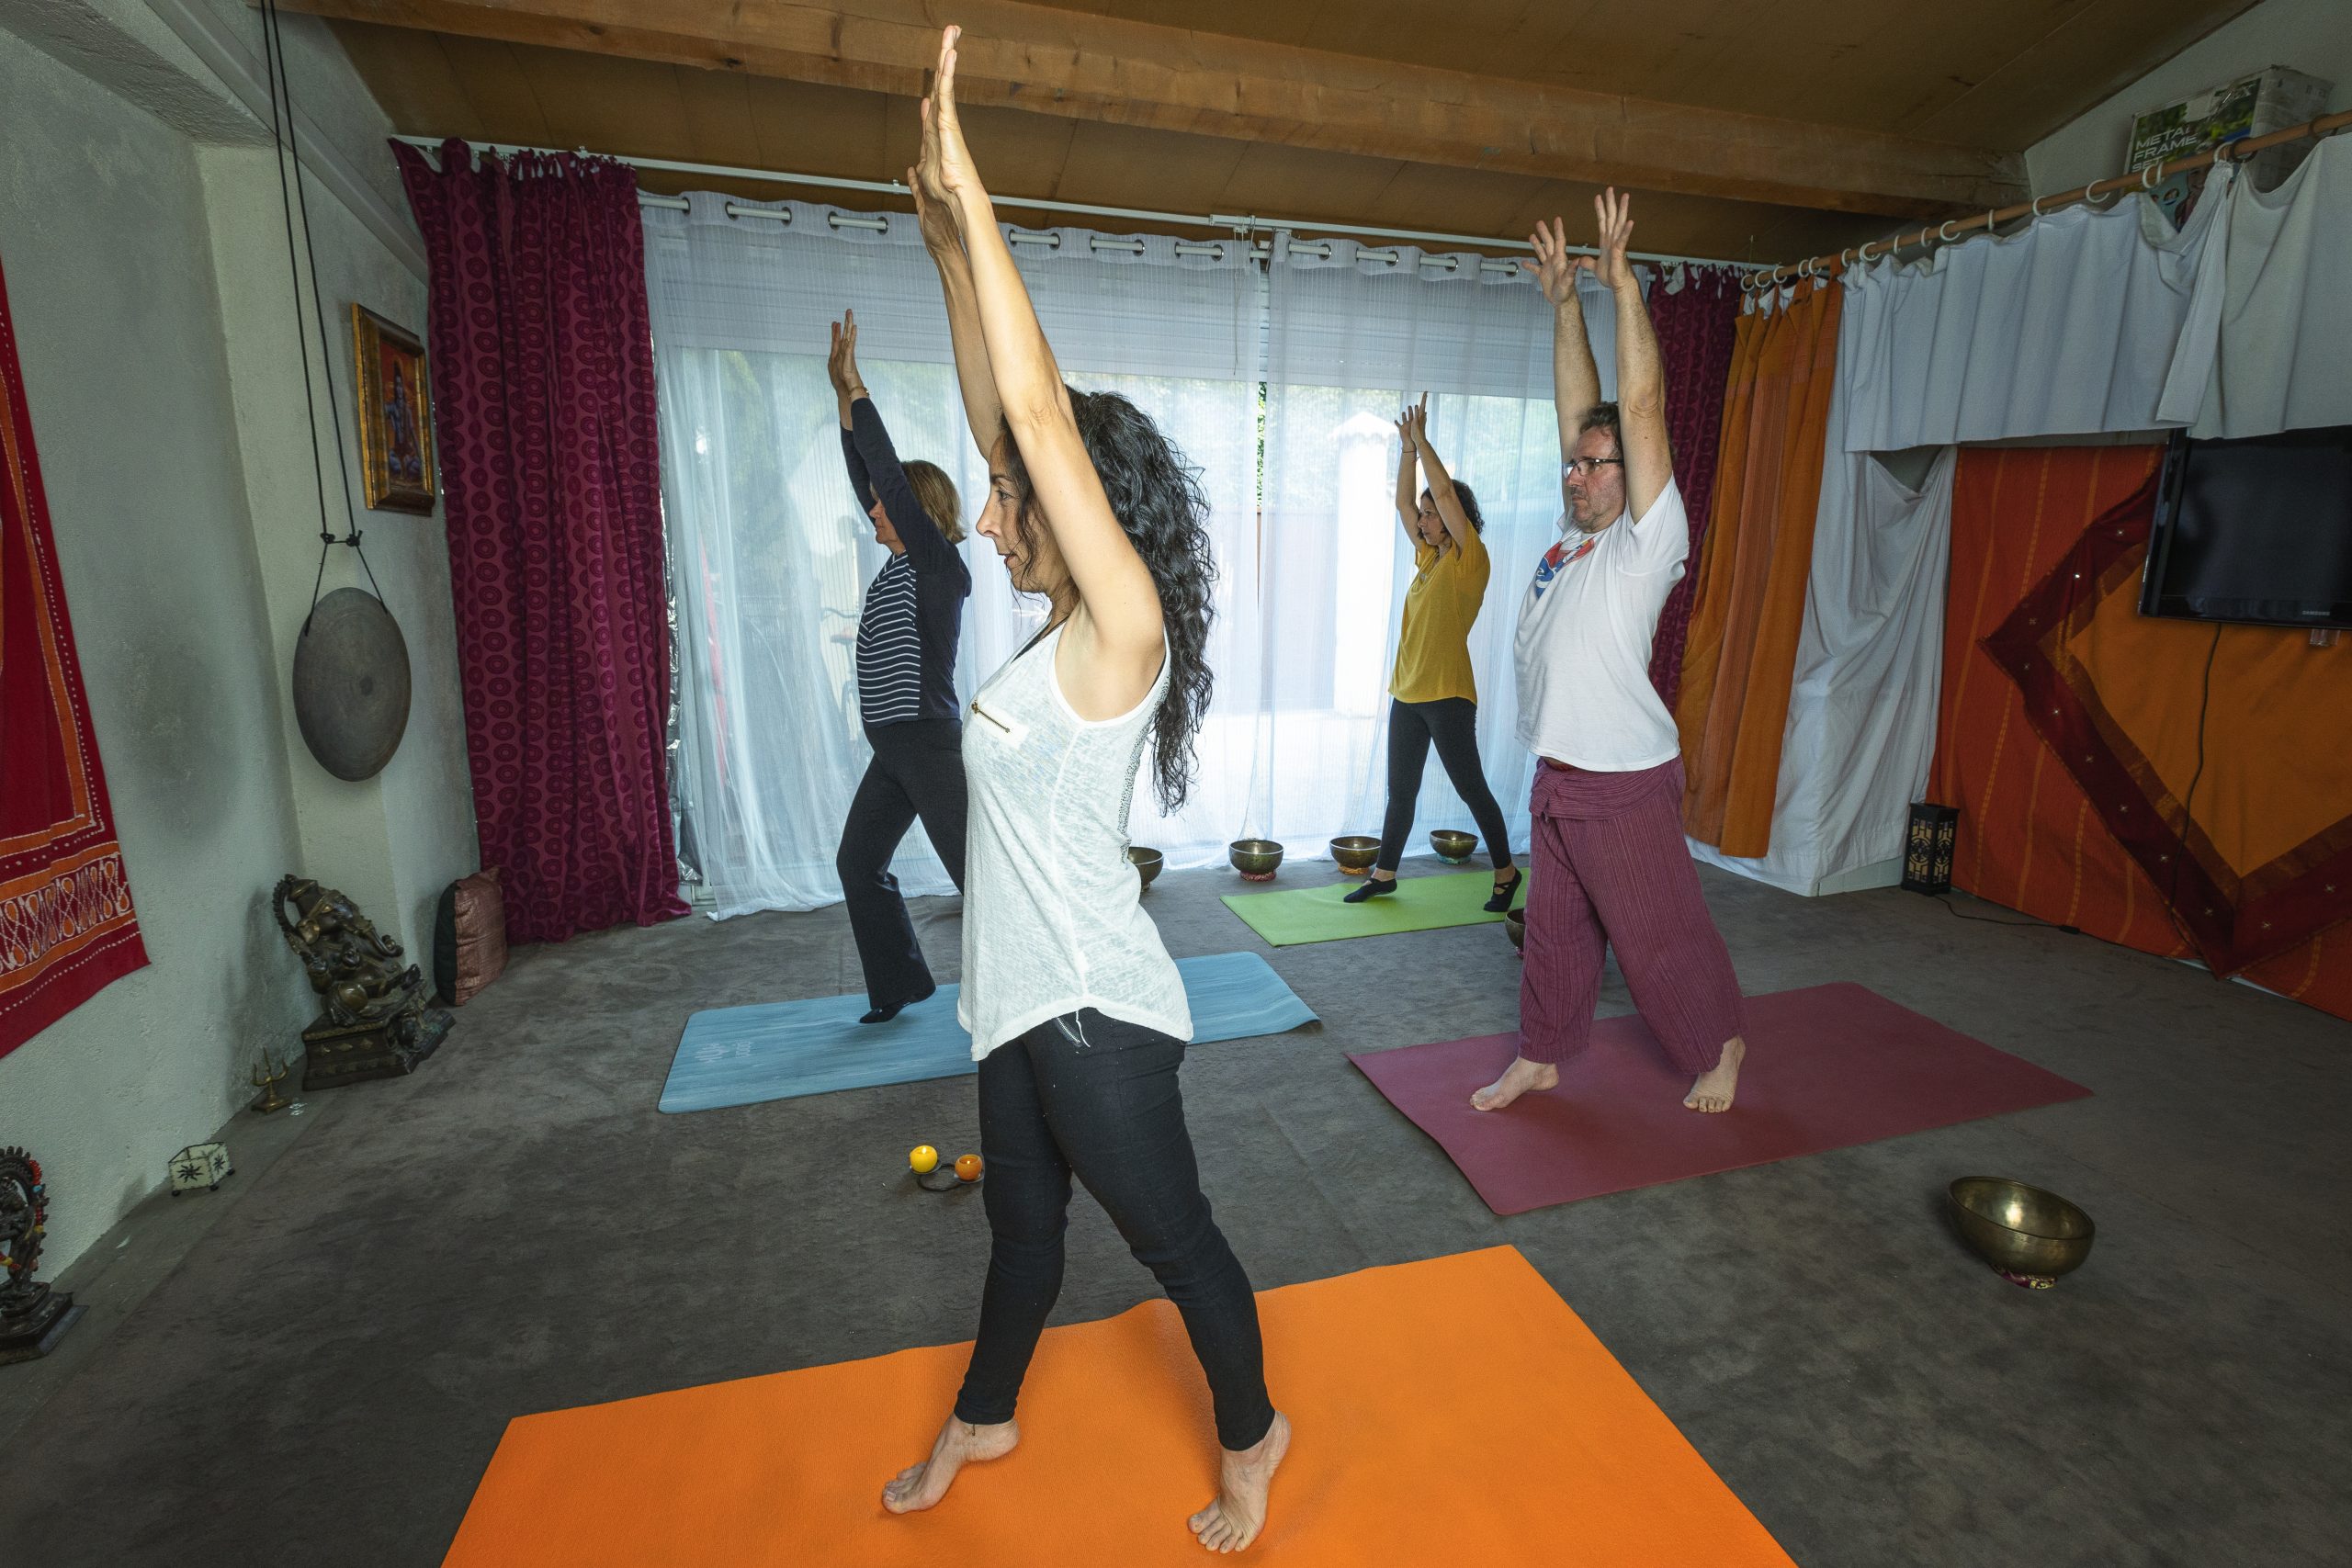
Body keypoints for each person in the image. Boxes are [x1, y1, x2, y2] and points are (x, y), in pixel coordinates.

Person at [879, 26, 1288, 1554]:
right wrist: (940, 253)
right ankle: (988, 1410)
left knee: (1173, 1241)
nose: (987, 509)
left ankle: (1256, 1433)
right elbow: (1012, 415)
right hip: (1011, 994)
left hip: (1092, 1016)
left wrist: (979, 194)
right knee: (1023, 1231)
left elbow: (1038, 426)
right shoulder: (1059, 621)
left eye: (1007, 497)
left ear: (1078, 514)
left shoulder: (1121, 635)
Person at [1474, 194, 1748, 1116]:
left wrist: (1623, 289)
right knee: (1552, 929)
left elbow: (1638, 404)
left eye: (1601, 465)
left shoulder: (1646, 540)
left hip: (1622, 773)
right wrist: (1562, 306)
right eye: (1576, 465)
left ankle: (1720, 1042)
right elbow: (1581, 408)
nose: (1581, 474)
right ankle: (1544, 1052)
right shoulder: (1575, 533)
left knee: (1654, 933)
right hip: (1561, 766)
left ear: (1638, 476)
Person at [827, 310, 975, 1024]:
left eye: (886, 505)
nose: (872, 510)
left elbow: (881, 470)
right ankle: (899, 985)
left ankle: (1032, 991)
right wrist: (840, 403)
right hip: (892, 746)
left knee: (979, 877)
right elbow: (867, 473)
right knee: (858, 863)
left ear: (915, 510)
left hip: (926, 738)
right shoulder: (894, 565)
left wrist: (859, 388)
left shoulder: (936, 566)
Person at [1344, 394, 1521, 910]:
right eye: (1423, 515)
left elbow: (1442, 489)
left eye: (1431, 514)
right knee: (1401, 792)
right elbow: (1402, 504)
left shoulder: (1470, 560)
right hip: (1409, 693)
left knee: (1472, 790)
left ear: (1453, 517)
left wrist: (1423, 441)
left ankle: (1506, 872)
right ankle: (1384, 874)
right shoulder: (1428, 558)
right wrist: (1404, 451)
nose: (1422, 520)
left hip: (1447, 695)